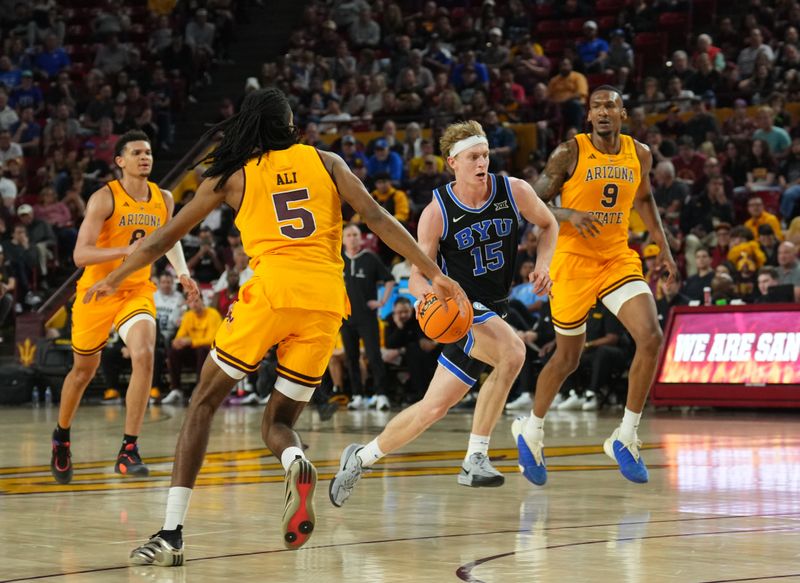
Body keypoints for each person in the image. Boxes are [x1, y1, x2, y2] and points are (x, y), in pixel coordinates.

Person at [83, 88, 466, 562]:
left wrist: (115, 277)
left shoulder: (232, 175)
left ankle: (171, 535)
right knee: (280, 421)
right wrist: (435, 273)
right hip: (326, 300)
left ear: (250, 127)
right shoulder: (326, 161)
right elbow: (377, 218)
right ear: (289, 125)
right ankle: (294, 459)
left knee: (202, 402)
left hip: (270, 294)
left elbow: (163, 237)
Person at [329, 119, 558, 507]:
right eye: (473, 157)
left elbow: (549, 223)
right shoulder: (437, 212)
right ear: (453, 162)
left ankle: (360, 457)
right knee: (514, 352)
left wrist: (544, 264)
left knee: (432, 409)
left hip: (493, 310)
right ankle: (476, 456)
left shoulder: (513, 190)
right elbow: (418, 276)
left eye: (485, 154)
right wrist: (430, 300)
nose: (482, 162)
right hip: (463, 309)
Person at [513, 86, 678, 486]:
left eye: (611, 106)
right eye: (597, 107)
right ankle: (531, 431)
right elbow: (529, 203)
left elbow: (644, 199)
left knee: (652, 337)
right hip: (572, 263)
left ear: (624, 113)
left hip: (616, 258)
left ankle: (626, 436)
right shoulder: (568, 152)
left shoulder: (639, 153)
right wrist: (568, 212)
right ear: (588, 116)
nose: (604, 112)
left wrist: (665, 248)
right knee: (567, 359)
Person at [50, 130, 196, 485]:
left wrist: (183, 273)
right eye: (136, 153)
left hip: (135, 290)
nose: (145, 157)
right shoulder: (104, 198)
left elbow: (168, 238)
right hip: (96, 293)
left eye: (147, 152)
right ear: (120, 161)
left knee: (145, 352)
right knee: (83, 373)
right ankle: (61, 436)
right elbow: (80, 254)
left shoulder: (163, 198)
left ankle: (128, 450)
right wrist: (123, 252)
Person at [341, 223, 395, 411]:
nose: (352, 238)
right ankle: (357, 395)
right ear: (342, 239)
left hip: (367, 317)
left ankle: (381, 395)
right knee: (351, 357)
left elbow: (389, 280)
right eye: (348, 235)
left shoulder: (370, 258)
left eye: (355, 234)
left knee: (374, 356)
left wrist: (381, 302)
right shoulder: (337, 260)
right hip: (345, 318)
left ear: (361, 237)